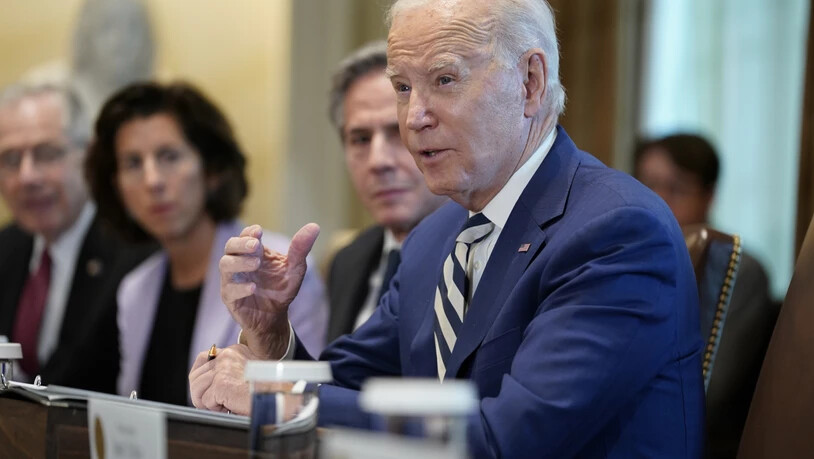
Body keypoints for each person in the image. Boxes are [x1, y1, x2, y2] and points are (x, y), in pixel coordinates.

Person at [191, 0, 704, 456]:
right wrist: (272, 335)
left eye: (444, 80)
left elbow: (506, 439)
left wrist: (274, 397)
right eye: (402, 87)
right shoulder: (435, 238)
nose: (413, 117)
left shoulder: (617, 232)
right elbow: (344, 385)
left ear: (530, 82)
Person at [84, 82, 328, 405]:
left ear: (212, 170)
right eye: (132, 163)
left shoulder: (279, 268)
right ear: (116, 186)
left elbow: (306, 404)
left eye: (168, 156)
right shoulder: (135, 289)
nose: (152, 180)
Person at [634, 133, 777, 459]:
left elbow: (707, 391)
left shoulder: (738, 269)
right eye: (647, 184)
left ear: (709, 196)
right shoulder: (628, 257)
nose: (658, 199)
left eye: (676, 188)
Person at [0, 83, 137, 388]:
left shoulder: (130, 252)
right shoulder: (6, 247)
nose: (27, 176)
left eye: (47, 154)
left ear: (88, 158)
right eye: (10, 159)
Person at [325, 41, 447, 342]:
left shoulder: (483, 251)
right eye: (361, 139)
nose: (378, 162)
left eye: (398, 132)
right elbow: (335, 379)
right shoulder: (346, 262)